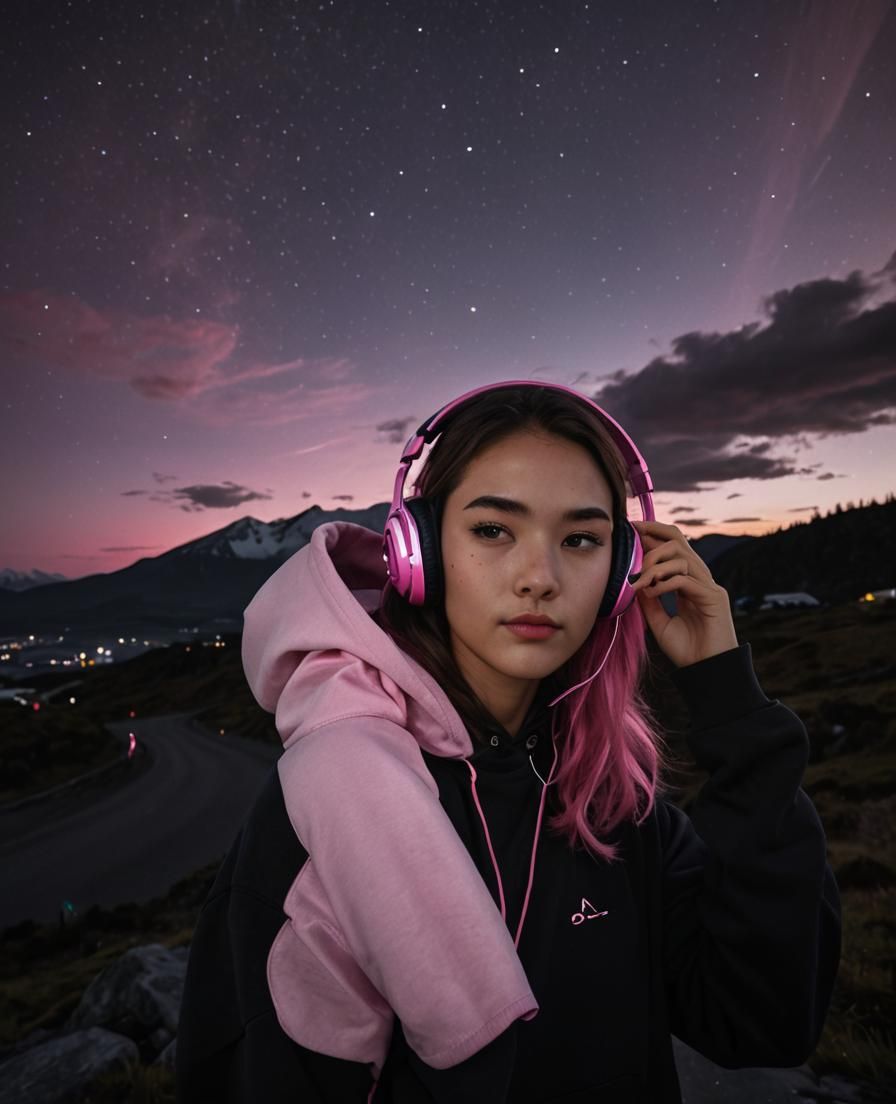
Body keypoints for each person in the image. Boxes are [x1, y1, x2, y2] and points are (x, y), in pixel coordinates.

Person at [176, 380, 841, 1104]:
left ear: (623, 574)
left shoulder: (617, 801)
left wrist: (729, 701)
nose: (540, 579)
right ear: (416, 550)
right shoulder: (328, 804)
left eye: (581, 539)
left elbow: (764, 1021)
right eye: (493, 530)